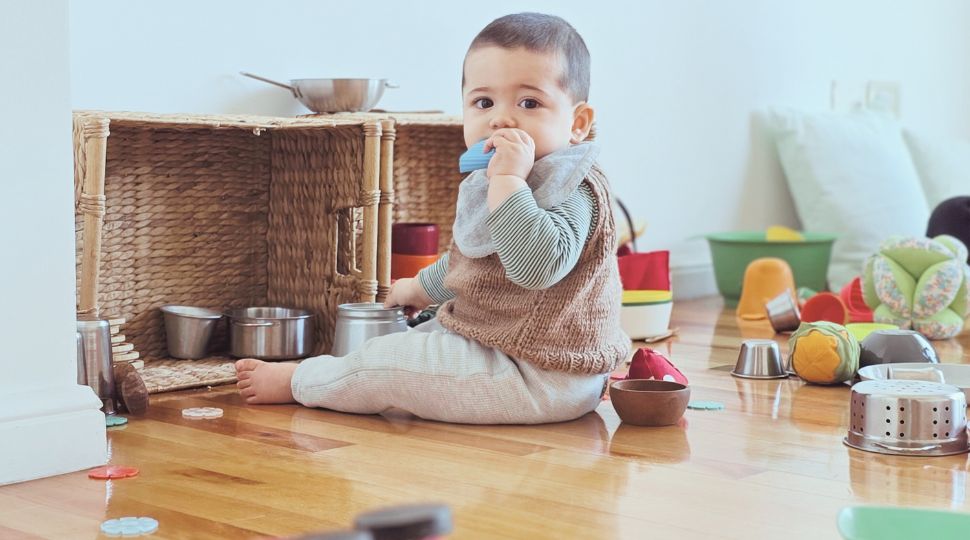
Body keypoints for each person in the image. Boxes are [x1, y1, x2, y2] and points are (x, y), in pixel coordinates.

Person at [235, 12, 630, 424]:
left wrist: (509, 181)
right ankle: (346, 374)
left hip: (543, 375)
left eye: (529, 103)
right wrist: (417, 288)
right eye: (483, 102)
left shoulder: (573, 187)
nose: (500, 119)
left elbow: (535, 267)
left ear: (578, 123)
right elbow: (477, 264)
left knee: (389, 365)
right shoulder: (496, 180)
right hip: (496, 346)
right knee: (407, 340)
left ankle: (301, 381)